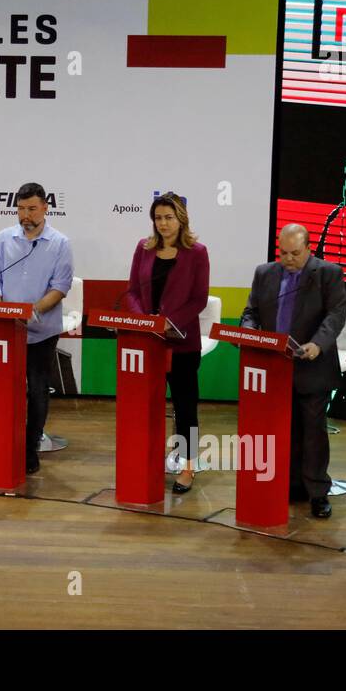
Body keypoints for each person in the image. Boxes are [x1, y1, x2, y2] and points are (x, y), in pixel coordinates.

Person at [0, 182, 73, 476]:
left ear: (45, 207)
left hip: (40, 330)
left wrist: (30, 312)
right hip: (4, 331)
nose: (25, 215)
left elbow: (60, 287)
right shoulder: (5, 238)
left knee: (36, 389)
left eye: (32, 208)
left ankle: (29, 449)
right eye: (20, 209)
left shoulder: (60, 243)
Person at [240, 223, 346, 518]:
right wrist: (248, 333)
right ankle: (287, 484)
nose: (288, 259)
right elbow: (252, 312)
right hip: (274, 366)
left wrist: (318, 344)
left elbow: (336, 314)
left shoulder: (328, 273)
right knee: (280, 428)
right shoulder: (265, 273)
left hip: (311, 365)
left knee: (313, 431)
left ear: (309, 249)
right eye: (283, 253)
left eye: (295, 254)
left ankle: (317, 492)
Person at [124, 192, 210, 494]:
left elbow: (198, 299)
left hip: (182, 342)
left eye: (168, 217)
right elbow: (133, 290)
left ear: (181, 219)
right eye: (158, 218)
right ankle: (144, 458)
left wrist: (167, 322)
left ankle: (188, 467)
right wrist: (144, 321)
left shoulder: (197, 252)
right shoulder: (143, 249)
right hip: (148, 342)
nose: (163, 223)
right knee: (145, 403)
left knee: (185, 407)